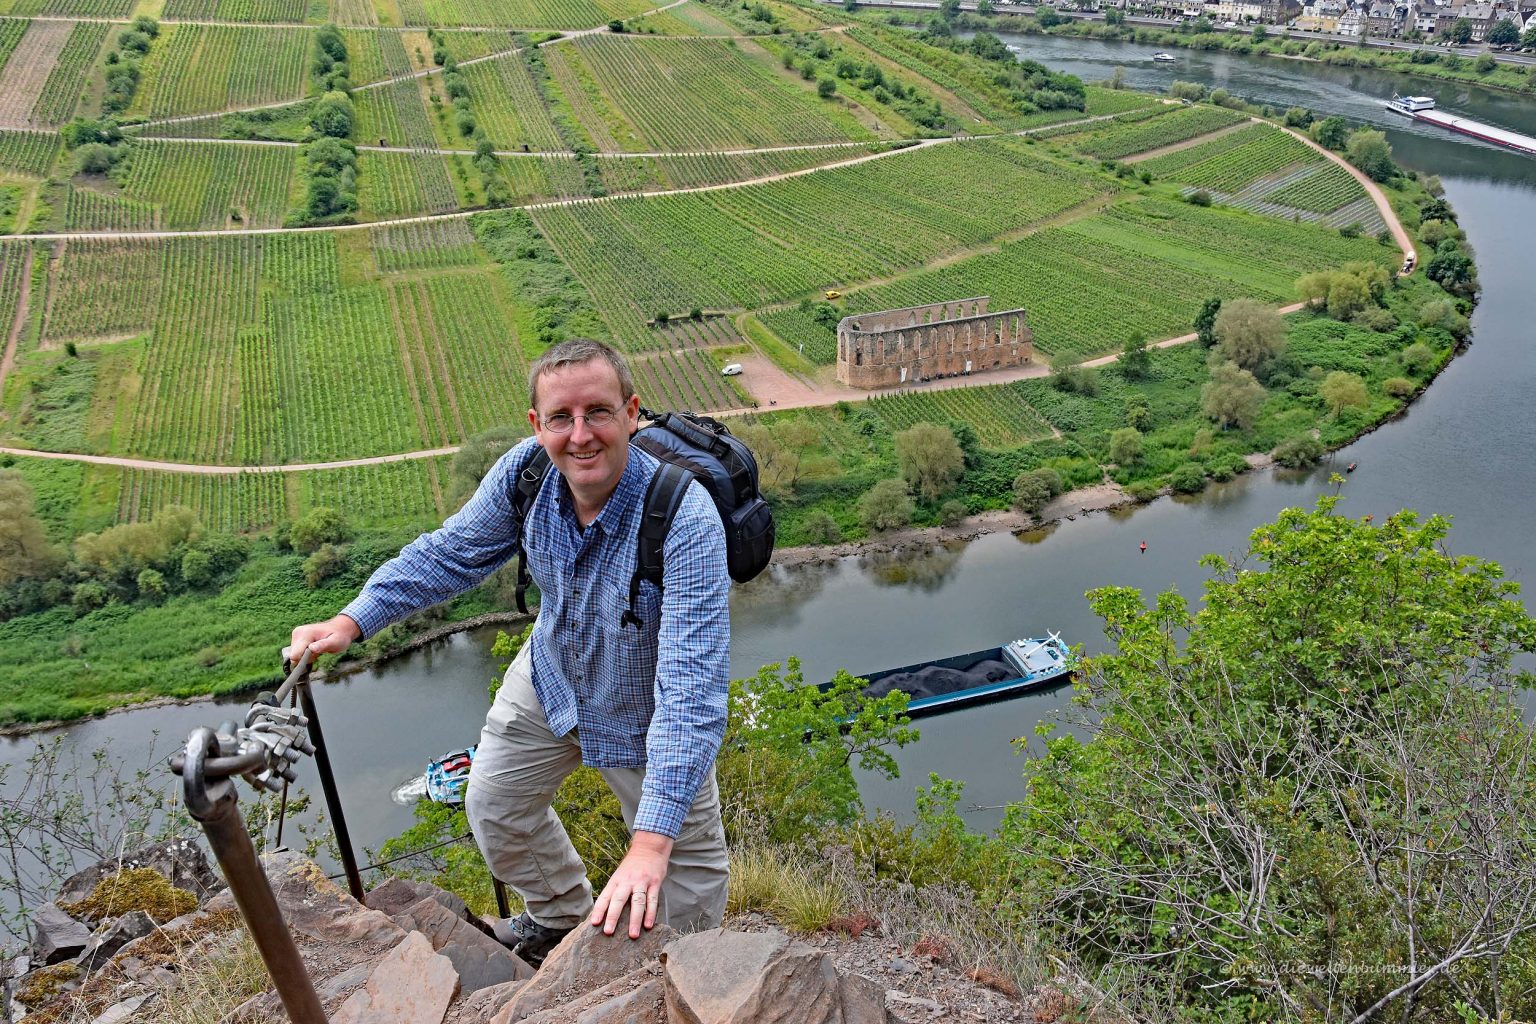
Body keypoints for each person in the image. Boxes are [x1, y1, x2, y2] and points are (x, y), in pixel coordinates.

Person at [284, 338, 731, 966]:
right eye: (561, 418)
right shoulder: (527, 477)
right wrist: (353, 619)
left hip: (645, 708)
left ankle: (687, 973)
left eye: (598, 412)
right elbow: (449, 554)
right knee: (496, 805)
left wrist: (650, 844)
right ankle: (560, 922)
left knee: (682, 875)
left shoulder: (685, 517)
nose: (580, 435)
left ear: (631, 412)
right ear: (537, 425)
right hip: (555, 678)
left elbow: (691, 692)